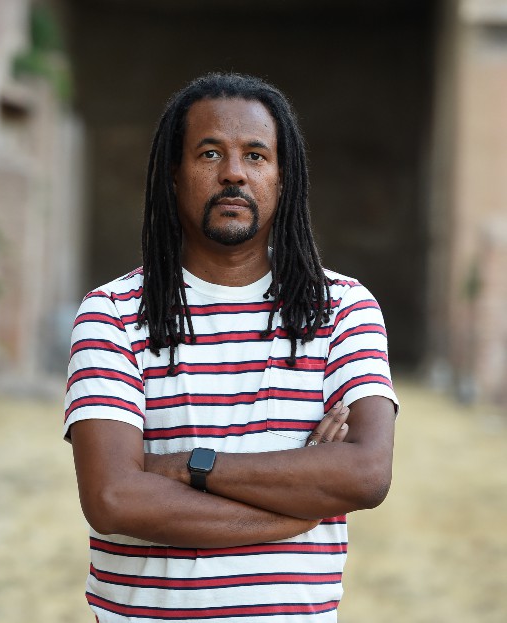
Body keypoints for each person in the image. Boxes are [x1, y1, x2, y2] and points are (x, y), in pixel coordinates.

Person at [65, 72, 398, 623]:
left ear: (283, 178)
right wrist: (295, 510)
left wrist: (185, 467)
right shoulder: (113, 313)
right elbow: (113, 499)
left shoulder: (342, 307)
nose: (234, 173)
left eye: (256, 156)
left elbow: (366, 474)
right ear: (173, 174)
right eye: (210, 153)